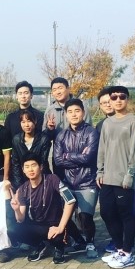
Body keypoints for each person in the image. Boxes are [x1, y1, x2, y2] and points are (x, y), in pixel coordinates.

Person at [97, 86, 135, 269]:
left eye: (121, 97)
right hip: (107, 177)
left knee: (127, 214)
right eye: (114, 97)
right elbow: (102, 148)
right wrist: (100, 171)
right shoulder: (107, 123)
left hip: (124, 177)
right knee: (106, 212)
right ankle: (118, 248)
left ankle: (127, 252)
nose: (118, 100)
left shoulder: (134, 122)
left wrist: (130, 174)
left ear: (127, 99)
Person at [9, 153, 78, 264]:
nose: (30, 169)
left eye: (33, 165)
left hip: (55, 224)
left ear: (40, 167)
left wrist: (60, 227)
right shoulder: (22, 189)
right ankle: (39, 245)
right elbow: (20, 219)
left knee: (57, 238)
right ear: (23, 170)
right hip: (37, 226)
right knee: (12, 230)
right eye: (27, 167)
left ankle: (59, 248)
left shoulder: (52, 179)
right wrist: (16, 209)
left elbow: (70, 200)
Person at [53, 98, 100, 258]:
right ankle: (79, 240)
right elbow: (57, 160)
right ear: (66, 115)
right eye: (70, 112)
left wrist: (67, 156)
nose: (74, 114)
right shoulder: (61, 135)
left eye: (77, 111)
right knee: (63, 216)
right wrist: (79, 156)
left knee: (85, 217)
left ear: (83, 113)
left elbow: (89, 158)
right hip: (67, 183)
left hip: (87, 182)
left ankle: (90, 243)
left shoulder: (91, 132)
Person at [11, 109, 52, 189]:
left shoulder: (43, 139)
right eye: (23, 122)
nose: (26, 125)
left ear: (35, 121)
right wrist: (19, 186)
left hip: (41, 178)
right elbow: (16, 164)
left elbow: (43, 163)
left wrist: (38, 184)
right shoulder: (16, 140)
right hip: (23, 179)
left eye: (29, 121)